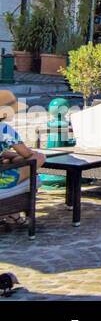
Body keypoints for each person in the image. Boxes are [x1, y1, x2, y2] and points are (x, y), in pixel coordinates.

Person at [0, 90, 42, 228]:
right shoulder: (4, 129)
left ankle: (13, 214)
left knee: (15, 160)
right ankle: (13, 213)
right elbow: (27, 154)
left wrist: (12, 157)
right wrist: (18, 157)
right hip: (2, 181)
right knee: (38, 158)